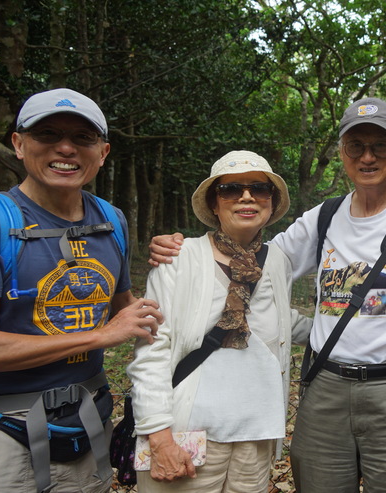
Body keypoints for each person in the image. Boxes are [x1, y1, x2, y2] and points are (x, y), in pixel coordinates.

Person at [149, 98, 386, 492]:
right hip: (326, 391)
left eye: (381, 145)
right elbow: (254, 263)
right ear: (342, 152)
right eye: (356, 146)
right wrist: (186, 249)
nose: (368, 156)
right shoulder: (322, 219)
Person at [0, 88, 163, 493]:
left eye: (82, 138)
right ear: (19, 144)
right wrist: (102, 335)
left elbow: (127, 310)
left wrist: (184, 258)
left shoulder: (111, 220)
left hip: (88, 425)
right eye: (47, 134)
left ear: (102, 152)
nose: (65, 148)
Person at [127, 150, 312, 493]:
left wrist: (344, 333)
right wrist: (159, 435)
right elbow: (152, 350)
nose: (246, 197)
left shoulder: (277, 262)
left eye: (259, 188)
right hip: (187, 432)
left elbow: (278, 321)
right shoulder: (178, 260)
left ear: (271, 202)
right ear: (214, 203)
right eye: (231, 189)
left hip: (256, 435)